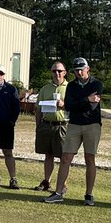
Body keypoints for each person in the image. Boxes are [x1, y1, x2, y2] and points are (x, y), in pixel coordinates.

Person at [45, 57, 103, 206]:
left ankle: (89, 195)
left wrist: (82, 102)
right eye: (76, 70)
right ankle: (58, 193)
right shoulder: (71, 86)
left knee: (90, 159)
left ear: (87, 69)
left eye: (81, 69)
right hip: (74, 124)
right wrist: (86, 99)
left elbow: (93, 107)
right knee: (65, 158)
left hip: (92, 124)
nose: (78, 72)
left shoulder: (96, 84)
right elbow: (69, 106)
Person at [34, 63, 69, 192]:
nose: (57, 73)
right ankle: (46, 181)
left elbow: (76, 107)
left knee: (64, 157)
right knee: (48, 155)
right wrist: (38, 126)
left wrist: (63, 104)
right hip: (46, 125)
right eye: (54, 71)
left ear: (64, 72)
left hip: (62, 125)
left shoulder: (70, 88)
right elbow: (38, 109)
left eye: (59, 71)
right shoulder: (45, 89)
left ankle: (63, 184)